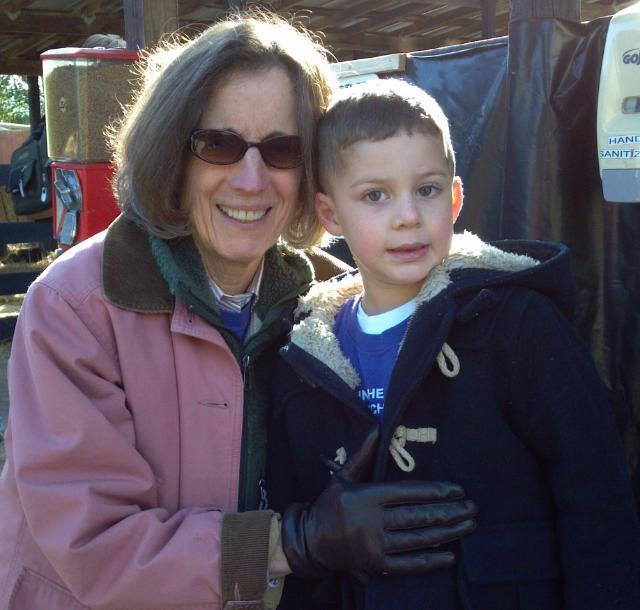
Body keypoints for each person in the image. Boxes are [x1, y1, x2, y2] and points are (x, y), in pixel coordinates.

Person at [0, 14, 477, 610]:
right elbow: (96, 544)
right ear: (173, 153)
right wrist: (294, 545)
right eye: (219, 145)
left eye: (281, 149)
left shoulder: (326, 306)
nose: (251, 180)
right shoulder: (76, 307)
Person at [267, 78, 640, 610]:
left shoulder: (517, 323)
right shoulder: (304, 356)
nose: (408, 216)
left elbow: (596, 498)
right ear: (330, 216)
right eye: (376, 195)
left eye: (427, 189)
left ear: (456, 196)